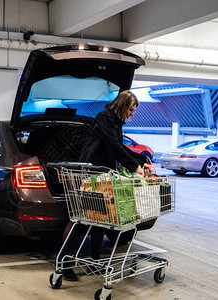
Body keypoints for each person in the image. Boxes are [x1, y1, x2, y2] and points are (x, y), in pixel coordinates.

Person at [60, 90, 153, 281]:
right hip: (90, 173)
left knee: (101, 217)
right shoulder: (104, 118)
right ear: (123, 105)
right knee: (79, 217)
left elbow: (120, 146)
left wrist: (141, 160)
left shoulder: (116, 121)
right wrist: (135, 166)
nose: (132, 114)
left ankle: (94, 261)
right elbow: (113, 147)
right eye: (131, 109)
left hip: (103, 174)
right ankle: (62, 262)